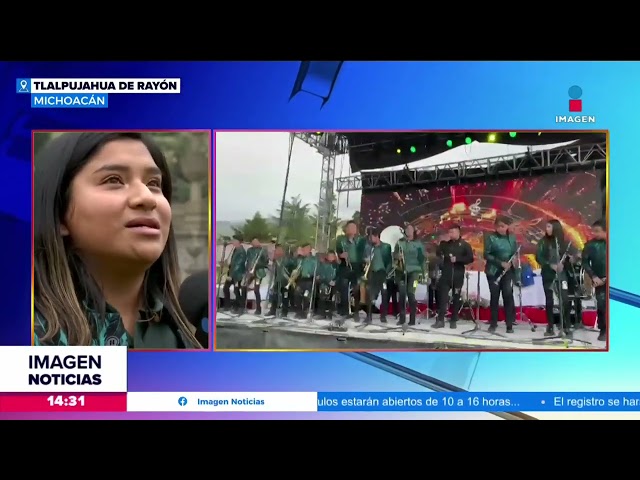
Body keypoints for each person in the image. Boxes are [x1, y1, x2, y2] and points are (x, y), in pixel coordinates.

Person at [33, 132, 203, 348]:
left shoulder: (186, 340)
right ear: (59, 213)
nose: (147, 198)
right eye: (113, 180)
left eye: (153, 183)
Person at [535, 219, 572, 337]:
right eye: (547, 227)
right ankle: (550, 326)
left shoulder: (564, 242)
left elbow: (571, 257)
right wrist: (550, 265)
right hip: (548, 274)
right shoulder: (543, 242)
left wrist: (569, 260)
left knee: (565, 299)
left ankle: (566, 326)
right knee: (549, 300)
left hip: (562, 275)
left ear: (556, 228)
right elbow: (538, 257)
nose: (547, 229)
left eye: (549, 227)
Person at [433, 225, 474, 329]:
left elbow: (470, 258)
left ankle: (454, 319)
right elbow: (438, 253)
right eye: (449, 232)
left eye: (453, 232)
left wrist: (458, 259)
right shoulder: (446, 244)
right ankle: (440, 320)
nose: (451, 234)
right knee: (442, 297)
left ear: (458, 232)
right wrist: (439, 245)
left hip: (458, 275)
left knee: (456, 297)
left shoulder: (465, 245)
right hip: (446, 275)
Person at [483, 216, 518, 334]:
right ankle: (493, 323)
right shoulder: (490, 238)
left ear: (507, 226)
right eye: (498, 226)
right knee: (495, 296)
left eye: (503, 226)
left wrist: (514, 262)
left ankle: (509, 325)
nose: (501, 229)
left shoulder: (512, 238)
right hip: (493, 271)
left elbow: (514, 253)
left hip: (508, 271)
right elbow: (486, 255)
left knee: (508, 295)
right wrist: (500, 263)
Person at [394, 224, 426, 326]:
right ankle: (402, 318)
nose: (408, 231)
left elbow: (423, 260)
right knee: (402, 294)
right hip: (401, 271)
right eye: (406, 229)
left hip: (415, 272)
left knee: (411, 293)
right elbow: (394, 255)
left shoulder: (418, 244)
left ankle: (412, 318)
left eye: (410, 229)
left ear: (414, 231)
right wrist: (396, 257)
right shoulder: (400, 243)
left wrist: (424, 273)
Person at [581, 220, 607, 342]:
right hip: (598, 280)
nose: (594, 234)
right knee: (601, 305)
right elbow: (585, 262)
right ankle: (603, 330)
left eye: (597, 231)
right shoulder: (590, 245)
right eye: (593, 231)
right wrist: (594, 277)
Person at [336, 220, 366, 320]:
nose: (352, 229)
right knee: (344, 286)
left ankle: (356, 311)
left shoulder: (361, 240)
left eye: (354, 227)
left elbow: (364, 253)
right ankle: (345, 310)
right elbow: (336, 253)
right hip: (345, 266)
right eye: (350, 227)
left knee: (356, 288)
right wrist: (341, 255)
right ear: (346, 229)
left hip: (357, 267)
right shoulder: (340, 240)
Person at [363, 228, 392, 324]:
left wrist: (386, 272)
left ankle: (383, 316)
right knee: (370, 294)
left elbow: (389, 262)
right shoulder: (368, 247)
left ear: (376, 237)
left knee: (384, 293)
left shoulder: (386, 247)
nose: (370, 240)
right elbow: (364, 258)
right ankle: (369, 316)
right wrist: (365, 260)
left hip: (382, 273)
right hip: (372, 273)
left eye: (371, 237)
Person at [266, 244, 295, 318]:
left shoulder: (287, 259)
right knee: (274, 295)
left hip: (285, 280)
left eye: (279, 250)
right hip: (278, 280)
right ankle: (273, 310)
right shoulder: (277, 260)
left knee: (285, 296)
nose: (277, 251)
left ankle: (284, 312)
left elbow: (291, 266)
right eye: (277, 250)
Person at [244, 237, 269, 315]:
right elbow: (248, 260)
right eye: (253, 241)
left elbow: (266, 262)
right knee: (244, 287)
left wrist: (257, 265)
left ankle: (258, 308)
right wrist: (248, 269)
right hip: (250, 272)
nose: (254, 243)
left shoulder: (263, 251)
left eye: (256, 241)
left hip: (258, 272)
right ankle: (243, 306)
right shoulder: (249, 250)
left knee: (256, 290)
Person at [222, 235, 247, 313]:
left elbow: (238, 265)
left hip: (237, 274)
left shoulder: (241, 251)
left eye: (234, 240)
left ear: (238, 241)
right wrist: (226, 264)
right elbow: (234, 263)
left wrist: (231, 275)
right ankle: (228, 306)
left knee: (236, 290)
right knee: (226, 288)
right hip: (232, 272)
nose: (232, 241)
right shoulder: (235, 249)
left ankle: (240, 307)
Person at [293, 244, 318, 319]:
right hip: (301, 279)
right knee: (297, 293)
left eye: (307, 249)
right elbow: (297, 267)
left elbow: (316, 268)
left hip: (309, 280)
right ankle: (299, 311)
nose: (305, 251)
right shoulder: (300, 259)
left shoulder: (314, 259)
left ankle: (305, 311)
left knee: (306, 295)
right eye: (304, 249)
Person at [315, 250, 339, 320]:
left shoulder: (337, 266)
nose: (331, 258)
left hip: (334, 283)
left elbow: (339, 275)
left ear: (334, 257)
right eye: (329, 256)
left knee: (332, 295)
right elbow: (321, 275)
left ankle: (330, 313)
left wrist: (334, 281)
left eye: (332, 256)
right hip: (325, 283)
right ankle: (321, 313)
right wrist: (327, 281)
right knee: (323, 290)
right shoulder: (324, 265)